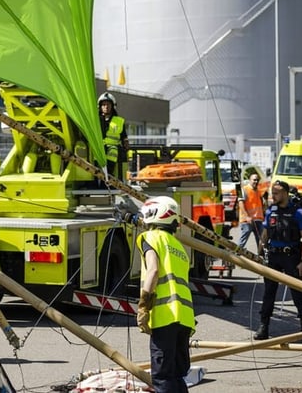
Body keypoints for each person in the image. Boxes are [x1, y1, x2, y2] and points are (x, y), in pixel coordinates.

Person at [135, 196, 195, 393]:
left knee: (162, 377)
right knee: (177, 376)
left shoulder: (150, 238)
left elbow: (153, 271)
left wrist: (143, 305)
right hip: (185, 319)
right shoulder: (179, 248)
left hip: (164, 316)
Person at [254, 180, 302, 340]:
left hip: (292, 257)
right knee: (269, 293)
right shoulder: (270, 211)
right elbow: (264, 235)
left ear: (285, 193)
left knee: (297, 292)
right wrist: (259, 255)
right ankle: (263, 327)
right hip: (273, 256)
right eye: (273, 192)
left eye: (277, 192)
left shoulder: (298, 212)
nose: (273, 195)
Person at [98, 92, 128, 180]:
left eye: (108, 104)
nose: (106, 107)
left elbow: (124, 136)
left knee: (113, 152)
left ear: (113, 106)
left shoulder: (119, 121)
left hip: (113, 148)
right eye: (103, 105)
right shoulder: (95, 120)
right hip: (99, 147)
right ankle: (96, 182)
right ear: (100, 106)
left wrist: (126, 143)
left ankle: (108, 179)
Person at [237, 174, 266, 250]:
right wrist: (247, 216)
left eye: (257, 180)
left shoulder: (258, 191)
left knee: (261, 241)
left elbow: (261, 205)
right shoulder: (243, 189)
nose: (256, 182)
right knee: (243, 239)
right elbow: (240, 203)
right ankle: (236, 254)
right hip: (247, 220)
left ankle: (261, 257)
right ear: (250, 180)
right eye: (254, 180)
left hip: (258, 219)